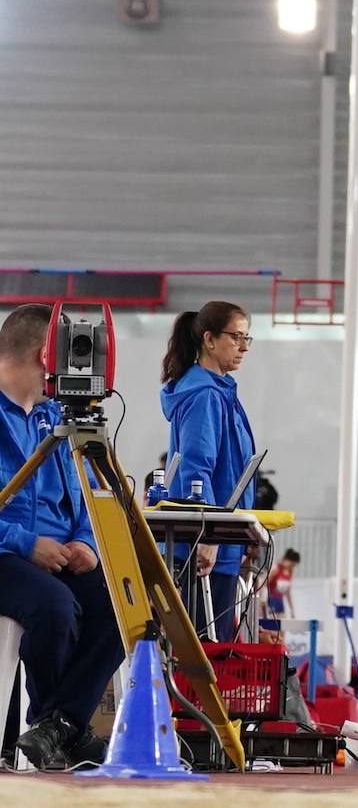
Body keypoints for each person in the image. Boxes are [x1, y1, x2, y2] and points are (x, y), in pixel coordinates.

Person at [0, 304, 123, 770]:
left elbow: (92, 490)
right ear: (42, 355)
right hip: (6, 553)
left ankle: (57, 727)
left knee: (125, 605)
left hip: (61, 555)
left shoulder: (58, 417)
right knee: (55, 607)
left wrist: (87, 541)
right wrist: (25, 543)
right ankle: (59, 726)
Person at [160, 300, 258, 643]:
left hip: (222, 541)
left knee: (213, 652)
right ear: (209, 339)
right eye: (236, 337)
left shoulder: (221, 392)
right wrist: (209, 534)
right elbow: (196, 467)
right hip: (205, 546)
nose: (244, 347)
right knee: (204, 653)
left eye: (248, 339)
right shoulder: (204, 395)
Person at [265, 548, 299, 619]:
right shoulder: (276, 569)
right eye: (291, 565)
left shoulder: (290, 572)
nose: (292, 567)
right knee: (273, 627)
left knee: (282, 627)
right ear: (287, 560)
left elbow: (288, 592)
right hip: (272, 600)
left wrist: (292, 609)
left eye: (293, 566)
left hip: (280, 602)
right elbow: (264, 584)